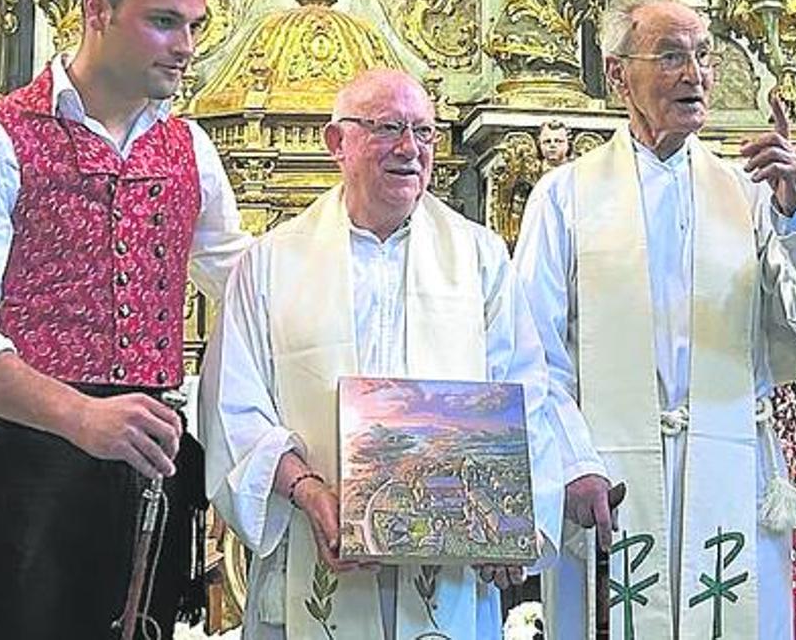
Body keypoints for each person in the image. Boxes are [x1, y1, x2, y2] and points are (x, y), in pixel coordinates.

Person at [0, 0, 251, 640]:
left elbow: (251, 284)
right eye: (164, 22)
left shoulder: (189, 147)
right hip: (22, 466)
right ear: (95, 12)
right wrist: (80, 417)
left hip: (148, 460)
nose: (187, 47)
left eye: (194, 25)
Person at [513, 0, 796, 640]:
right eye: (671, 55)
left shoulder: (749, 192)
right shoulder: (564, 197)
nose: (694, 74)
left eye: (702, 55)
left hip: (727, 470)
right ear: (619, 74)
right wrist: (570, 461)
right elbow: (531, 351)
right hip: (606, 479)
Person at [199, 68, 562, 640]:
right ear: (336, 142)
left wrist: (517, 517)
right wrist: (308, 490)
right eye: (387, 127)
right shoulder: (270, 263)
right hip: (315, 551)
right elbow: (233, 406)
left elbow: (526, 396)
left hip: (451, 571)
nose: (409, 149)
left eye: (424, 132)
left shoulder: (480, 258)